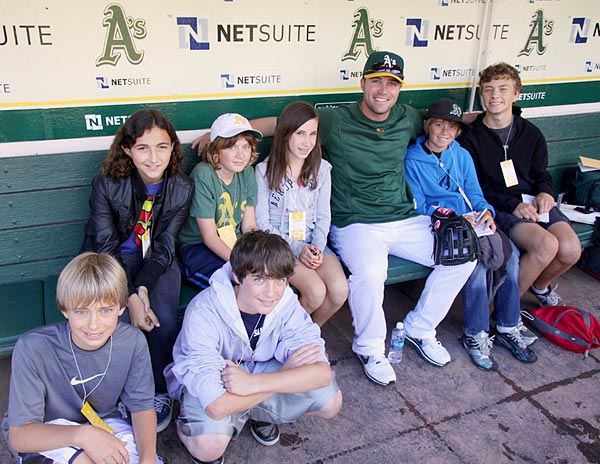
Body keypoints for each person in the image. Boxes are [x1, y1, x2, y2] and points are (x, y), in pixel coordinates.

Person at [193, 51, 477, 385]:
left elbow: (449, 123)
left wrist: (492, 114)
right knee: (368, 274)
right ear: (363, 83)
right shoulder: (336, 120)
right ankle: (370, 348)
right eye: (376, 82)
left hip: (401, 217)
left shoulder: (408, 118)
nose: (383, 90)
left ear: (400, 89)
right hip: (356, 222)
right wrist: (226, 135)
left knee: (462, 254)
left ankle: (420, 328)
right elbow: (283, 124)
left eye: (392, 84)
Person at [165, 230, 342, 464]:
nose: (271, 292)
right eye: (259, 279)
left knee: (331, 401)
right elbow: (217, 406)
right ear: (238, 276)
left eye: (279, 280)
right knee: (208, 448)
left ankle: (255, 413)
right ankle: (190, 423)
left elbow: (321, 373)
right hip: (218, 384)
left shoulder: (286, 303)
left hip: (255, 376)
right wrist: (283, 376)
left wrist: (254, 384)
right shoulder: (203, 311)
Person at [81, 109, 194, 431]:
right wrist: (130, 295)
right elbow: (105, 246)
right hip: (110, 260)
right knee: (111, 317)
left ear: (173, 147)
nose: (153, 157)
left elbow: (166, 245)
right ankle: (115, 391)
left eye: (162, 146)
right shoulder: (107, 183)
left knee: (165, 318)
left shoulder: (181, 187)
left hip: (157, 262)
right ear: (128, 150)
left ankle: (158, 389)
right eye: (143, 148)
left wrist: (143, 287)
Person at [405, 98, 537, 370]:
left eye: (452, 127)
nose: (445, 132)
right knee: (473, 261)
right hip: (442, 225)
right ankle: (475, 334)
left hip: (473, 221)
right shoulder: (413, 158)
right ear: (428, 126)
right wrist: (451, 215)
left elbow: (475, 194)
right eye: (439, 125)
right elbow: (418, 203)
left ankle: (507, 326)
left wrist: (486, 211)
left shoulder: (460, 154)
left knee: (509, 255)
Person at [3, 252, 161, 464]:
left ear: (122, 308)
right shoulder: (33, 348)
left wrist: (148, 459)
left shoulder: (132, 342)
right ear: (65, 309)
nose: (94, 325)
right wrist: (83, 436)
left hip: (105, 423)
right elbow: (20, 436)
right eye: (81, 311)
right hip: (49, 431)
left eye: (105, 310)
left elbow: (141, 407)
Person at [458, 63, 582, 307]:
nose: (495, 96)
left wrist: (546, 192)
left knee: (570, 249)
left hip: (532, 202)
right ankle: (505, 312)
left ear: (516, 93)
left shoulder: (530, 132)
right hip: (500, 206)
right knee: (546, 245)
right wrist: (513, 205)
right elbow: (475, 187)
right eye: (488, 90)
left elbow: (541, 173)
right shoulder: (471, 137)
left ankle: (539, 287)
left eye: (503, 89)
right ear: (481, 95)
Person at [255, 101, 348, 326]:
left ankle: (309, 336)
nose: (306, 142)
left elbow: (324, 216)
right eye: (300, 133)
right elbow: (262, 223)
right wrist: (298, 249)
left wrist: (315, 247)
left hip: (313, 243)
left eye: (312, 134)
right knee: (315, 292)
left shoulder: (322, 169)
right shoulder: (264, 171)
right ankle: (281, 335)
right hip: (280, 246)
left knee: (339, 290)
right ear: (286, 134)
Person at [179, 113, 261, 289]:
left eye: (246, 147)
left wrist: (260, 254)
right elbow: (209, 237)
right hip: (198, 248)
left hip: (236, 243)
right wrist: (243, 264)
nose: (241, 155)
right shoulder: (203, 174)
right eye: (232, 147)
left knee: (266, 277)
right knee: (242, 286)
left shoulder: (247, 172)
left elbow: (249, 226)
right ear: (216, 149)